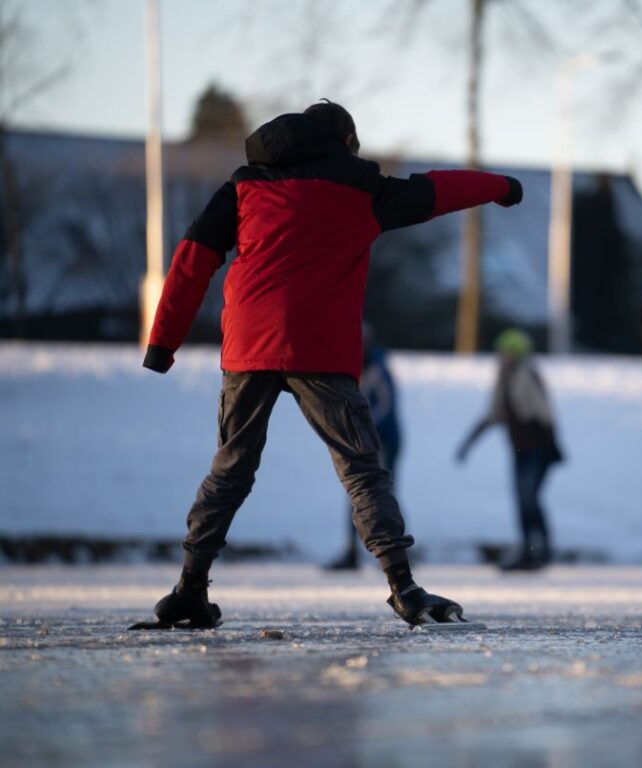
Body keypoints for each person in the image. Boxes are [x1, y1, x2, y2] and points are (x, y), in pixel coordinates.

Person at [132, 100, 522, 629]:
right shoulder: (362, 188)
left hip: (250, 342)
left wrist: (162, 344)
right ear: (345, 142)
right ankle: (403, 588)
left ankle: (189, 588)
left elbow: (193, 256)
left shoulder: (245, 186)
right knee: (361, 468)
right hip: (320, 349)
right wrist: (500, 185)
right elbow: (436, 191)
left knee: (231, 466)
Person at [456, 329, 563, 571]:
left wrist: (552, 446)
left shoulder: (526, 375)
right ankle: (531, 549)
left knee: (529, 499)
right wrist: (469, 443)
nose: (503, 356)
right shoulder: (503, 379)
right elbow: (493, 414)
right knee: (524, 500)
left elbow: (544, 414)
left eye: (507, 352)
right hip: (520, 449)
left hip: (537, 449)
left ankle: (539, 550)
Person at [326, 325, 402, 571]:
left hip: (384, 441)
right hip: (361, 441)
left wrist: (363, 427)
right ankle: (352, 551)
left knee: (382, 495)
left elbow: (386, 406)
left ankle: (397, 553)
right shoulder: (353, 365)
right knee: (356, 494)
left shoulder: (378, 367)